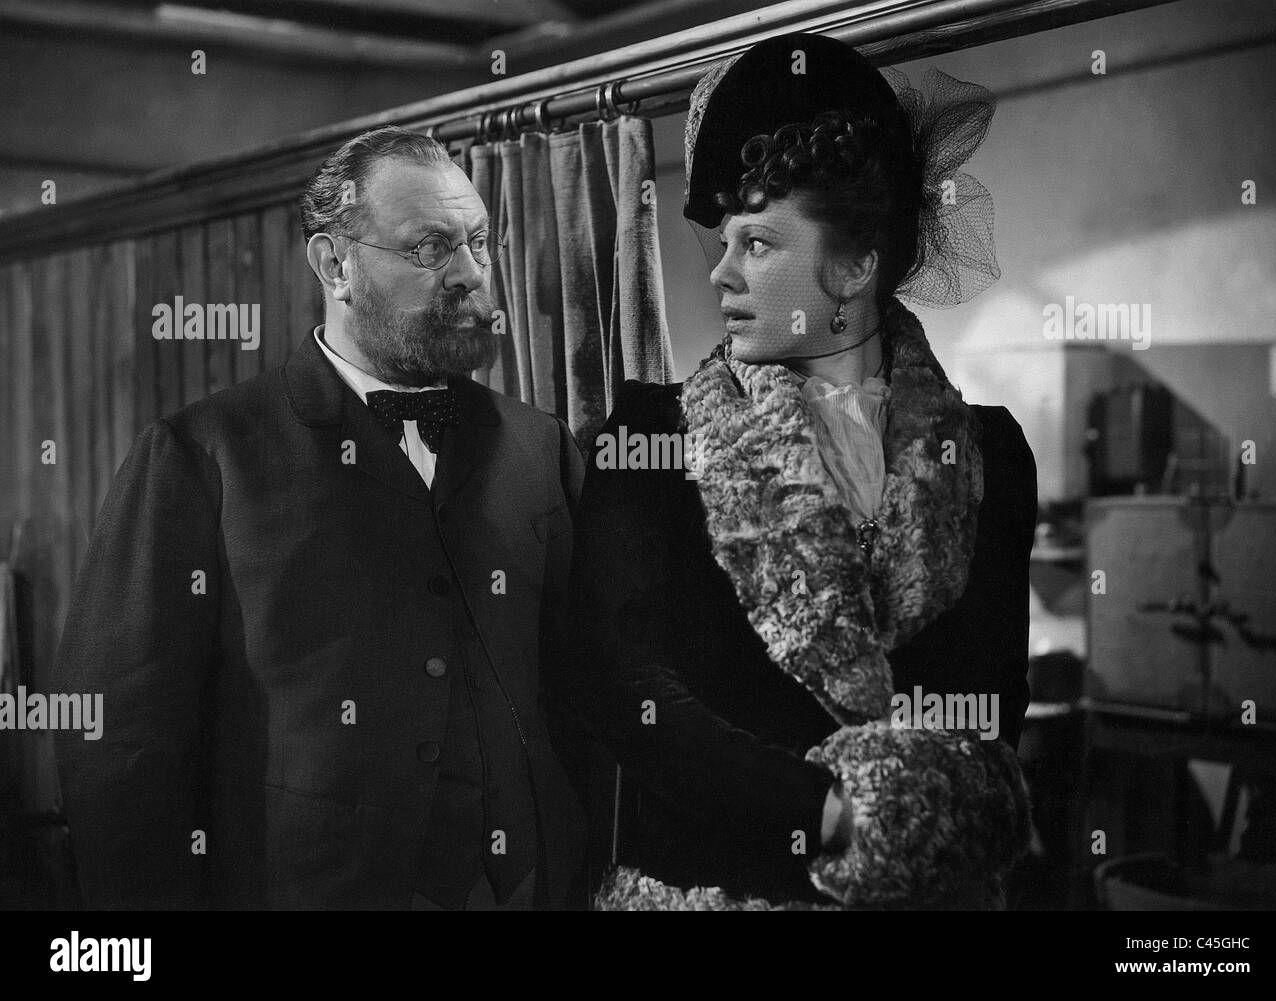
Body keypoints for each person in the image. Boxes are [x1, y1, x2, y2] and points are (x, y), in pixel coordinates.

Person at [53, 126, 586, 910]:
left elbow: (589, 691)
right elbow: (122, 752)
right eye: (432, 248)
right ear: (334, 264)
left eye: (479, 241)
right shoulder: (201, 456)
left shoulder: (542, 448)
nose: (474, 275)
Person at [563, 33, 1037, 909]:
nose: (722, 273)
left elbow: (993, 703)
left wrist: (914, 809)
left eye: (758, 243)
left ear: (856, 265)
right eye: (724, 239)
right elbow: (619, 685)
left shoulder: (989, 452)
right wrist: (818, 809)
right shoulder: (647, 440)